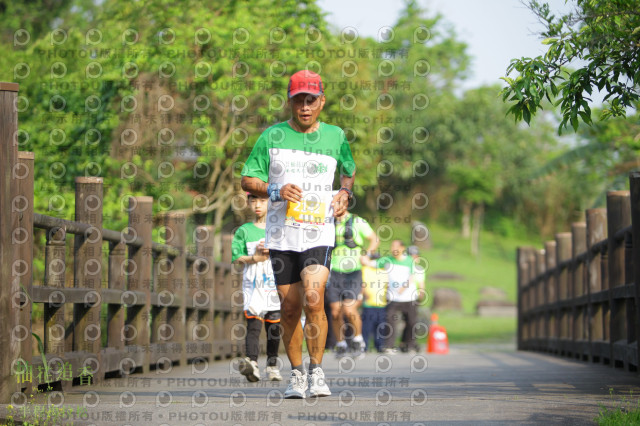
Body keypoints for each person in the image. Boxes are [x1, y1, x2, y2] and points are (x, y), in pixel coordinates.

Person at [241, 70, 356, 398]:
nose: (304, 106)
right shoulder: (271, 136)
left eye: (311, 100)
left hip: (318, 231)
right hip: (281, 235)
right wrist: (275, 189)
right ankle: (296, 374)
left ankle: (317, 371)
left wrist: (345, 195)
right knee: (289, 307)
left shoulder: (336, 136)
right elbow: (248, 180)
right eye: (298, 100)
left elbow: (347, 171)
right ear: (290, 102)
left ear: (322, 101)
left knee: (313, 297)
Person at [231, 193, 282, 382]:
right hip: (252, 283)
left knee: (274, 327)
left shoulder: (278, 228)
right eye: (253, 201)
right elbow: (236, 257)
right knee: (253, 324)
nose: (257, 205)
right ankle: (252, 363)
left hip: (274, 282)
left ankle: (272, 365)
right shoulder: (244, 231)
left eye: (262, 201)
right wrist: (255, 258)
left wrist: (273, 251)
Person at [327, 210, 378, 358]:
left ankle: (358, 340)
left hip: (353, 272)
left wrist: (367, 254)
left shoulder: (357, 221)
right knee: (336, 311)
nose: (334, 207)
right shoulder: (328, 221)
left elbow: (374, 239)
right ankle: (341, 344)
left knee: (349, 309)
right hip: (335, 272)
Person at [362, 240, 425, 354]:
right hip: (392, 297)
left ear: (402, 248)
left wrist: (404, 287)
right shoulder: (387, 260)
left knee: (411, 321)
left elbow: (412, 276)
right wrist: (364, 257)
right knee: (390, 321)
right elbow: (371, 263)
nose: (393, 249)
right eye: (392, 246)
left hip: (409, 297)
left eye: (395, 246)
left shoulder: (409, 260)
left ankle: (408, 344)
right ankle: (389, 346)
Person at [360, 260, 388, 352]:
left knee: (380, 327)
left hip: (381, 304)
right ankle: (365, 346)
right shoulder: (365, 270)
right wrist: (364, 293)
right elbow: (362, 284)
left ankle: (379, 346)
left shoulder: (384, 271)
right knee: (367, 327)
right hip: (369, 304)